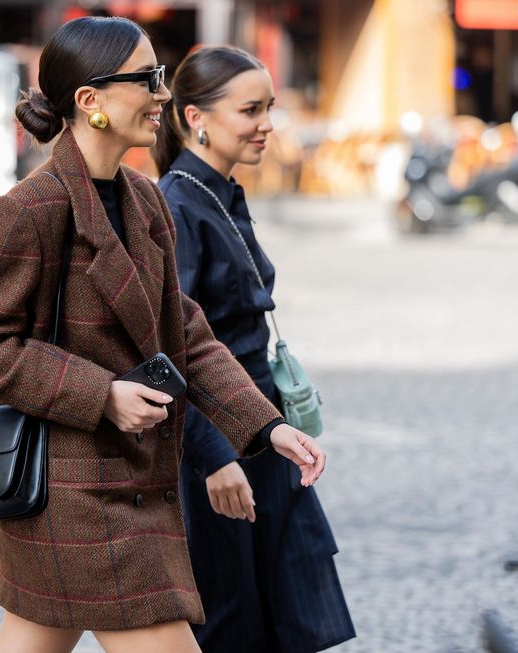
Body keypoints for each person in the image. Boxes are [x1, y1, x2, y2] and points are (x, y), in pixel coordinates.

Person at [0, 18, 327, 653]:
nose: (163, 96)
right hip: (71, 490)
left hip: (128, 484)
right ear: (90, 101)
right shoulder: (28, 211)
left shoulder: (144, 201)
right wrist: (102, 394)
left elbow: (187, 334)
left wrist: (264, 425)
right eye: (148, 80)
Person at [153, 46, 356, 653]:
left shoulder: (219, 192)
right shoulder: (178, 204)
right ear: (197, 117)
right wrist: (213, 455)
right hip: (218, 441)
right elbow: (172, 347)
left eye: (269, 106)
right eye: (251, 109)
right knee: (230, 616)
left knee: (279, 608)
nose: (268, 123)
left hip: (259, 431)